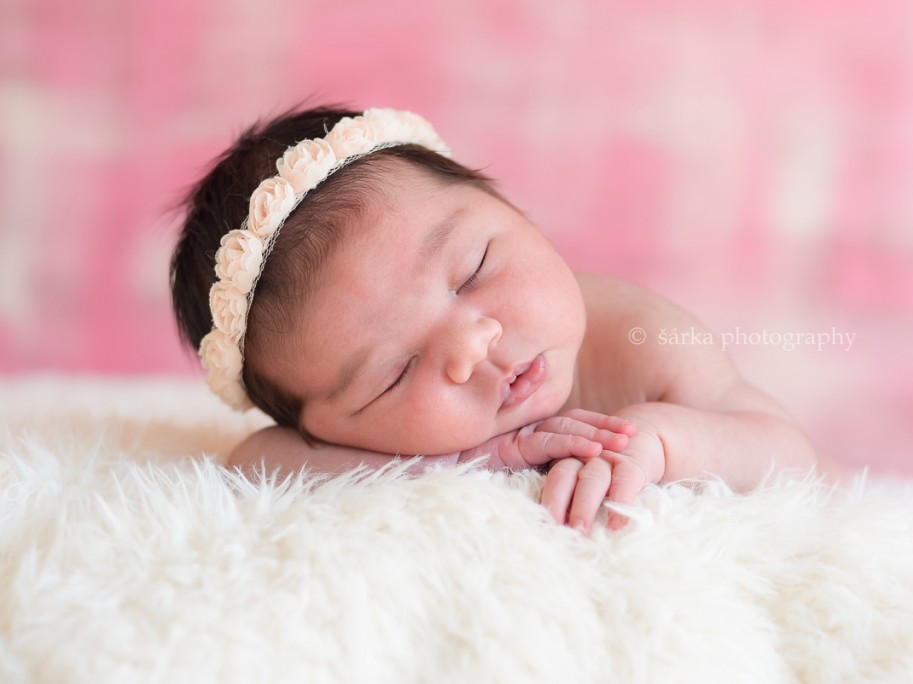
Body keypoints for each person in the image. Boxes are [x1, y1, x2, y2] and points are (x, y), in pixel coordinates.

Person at [171, 106, 821, 534]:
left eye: (474, 269)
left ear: (513, 210)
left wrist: (662, 442)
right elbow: (253, 464)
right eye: (395, 373)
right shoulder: (377, 442)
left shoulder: (634, 336)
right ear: (322, 425)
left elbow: (791, 455)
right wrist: (476, 459)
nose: (471, 346)